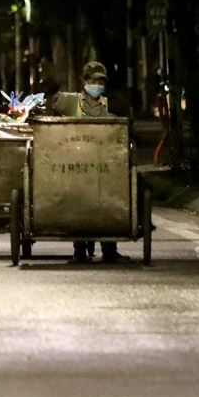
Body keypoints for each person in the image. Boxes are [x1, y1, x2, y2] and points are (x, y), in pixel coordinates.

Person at [56, 60, 123, 264]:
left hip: (103, 164)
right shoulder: (71, 102)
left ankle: (109, 249)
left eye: (100, 82)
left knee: (108, 201)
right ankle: (79, 250)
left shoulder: (111, 104)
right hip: (77, 163)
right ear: (84, 81)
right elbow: (51, 104)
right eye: (93, 81)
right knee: (77, 202)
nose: (97, 85)